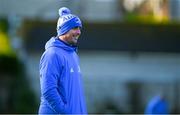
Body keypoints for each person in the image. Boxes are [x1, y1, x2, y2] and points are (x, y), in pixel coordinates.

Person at [38, 7, 87, 114]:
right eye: (75, 28)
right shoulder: (52, 54)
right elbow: (48, 91)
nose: (79, 32)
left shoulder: (73, 54)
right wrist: (66, 111)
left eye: (79, 28)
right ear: (64, 29)